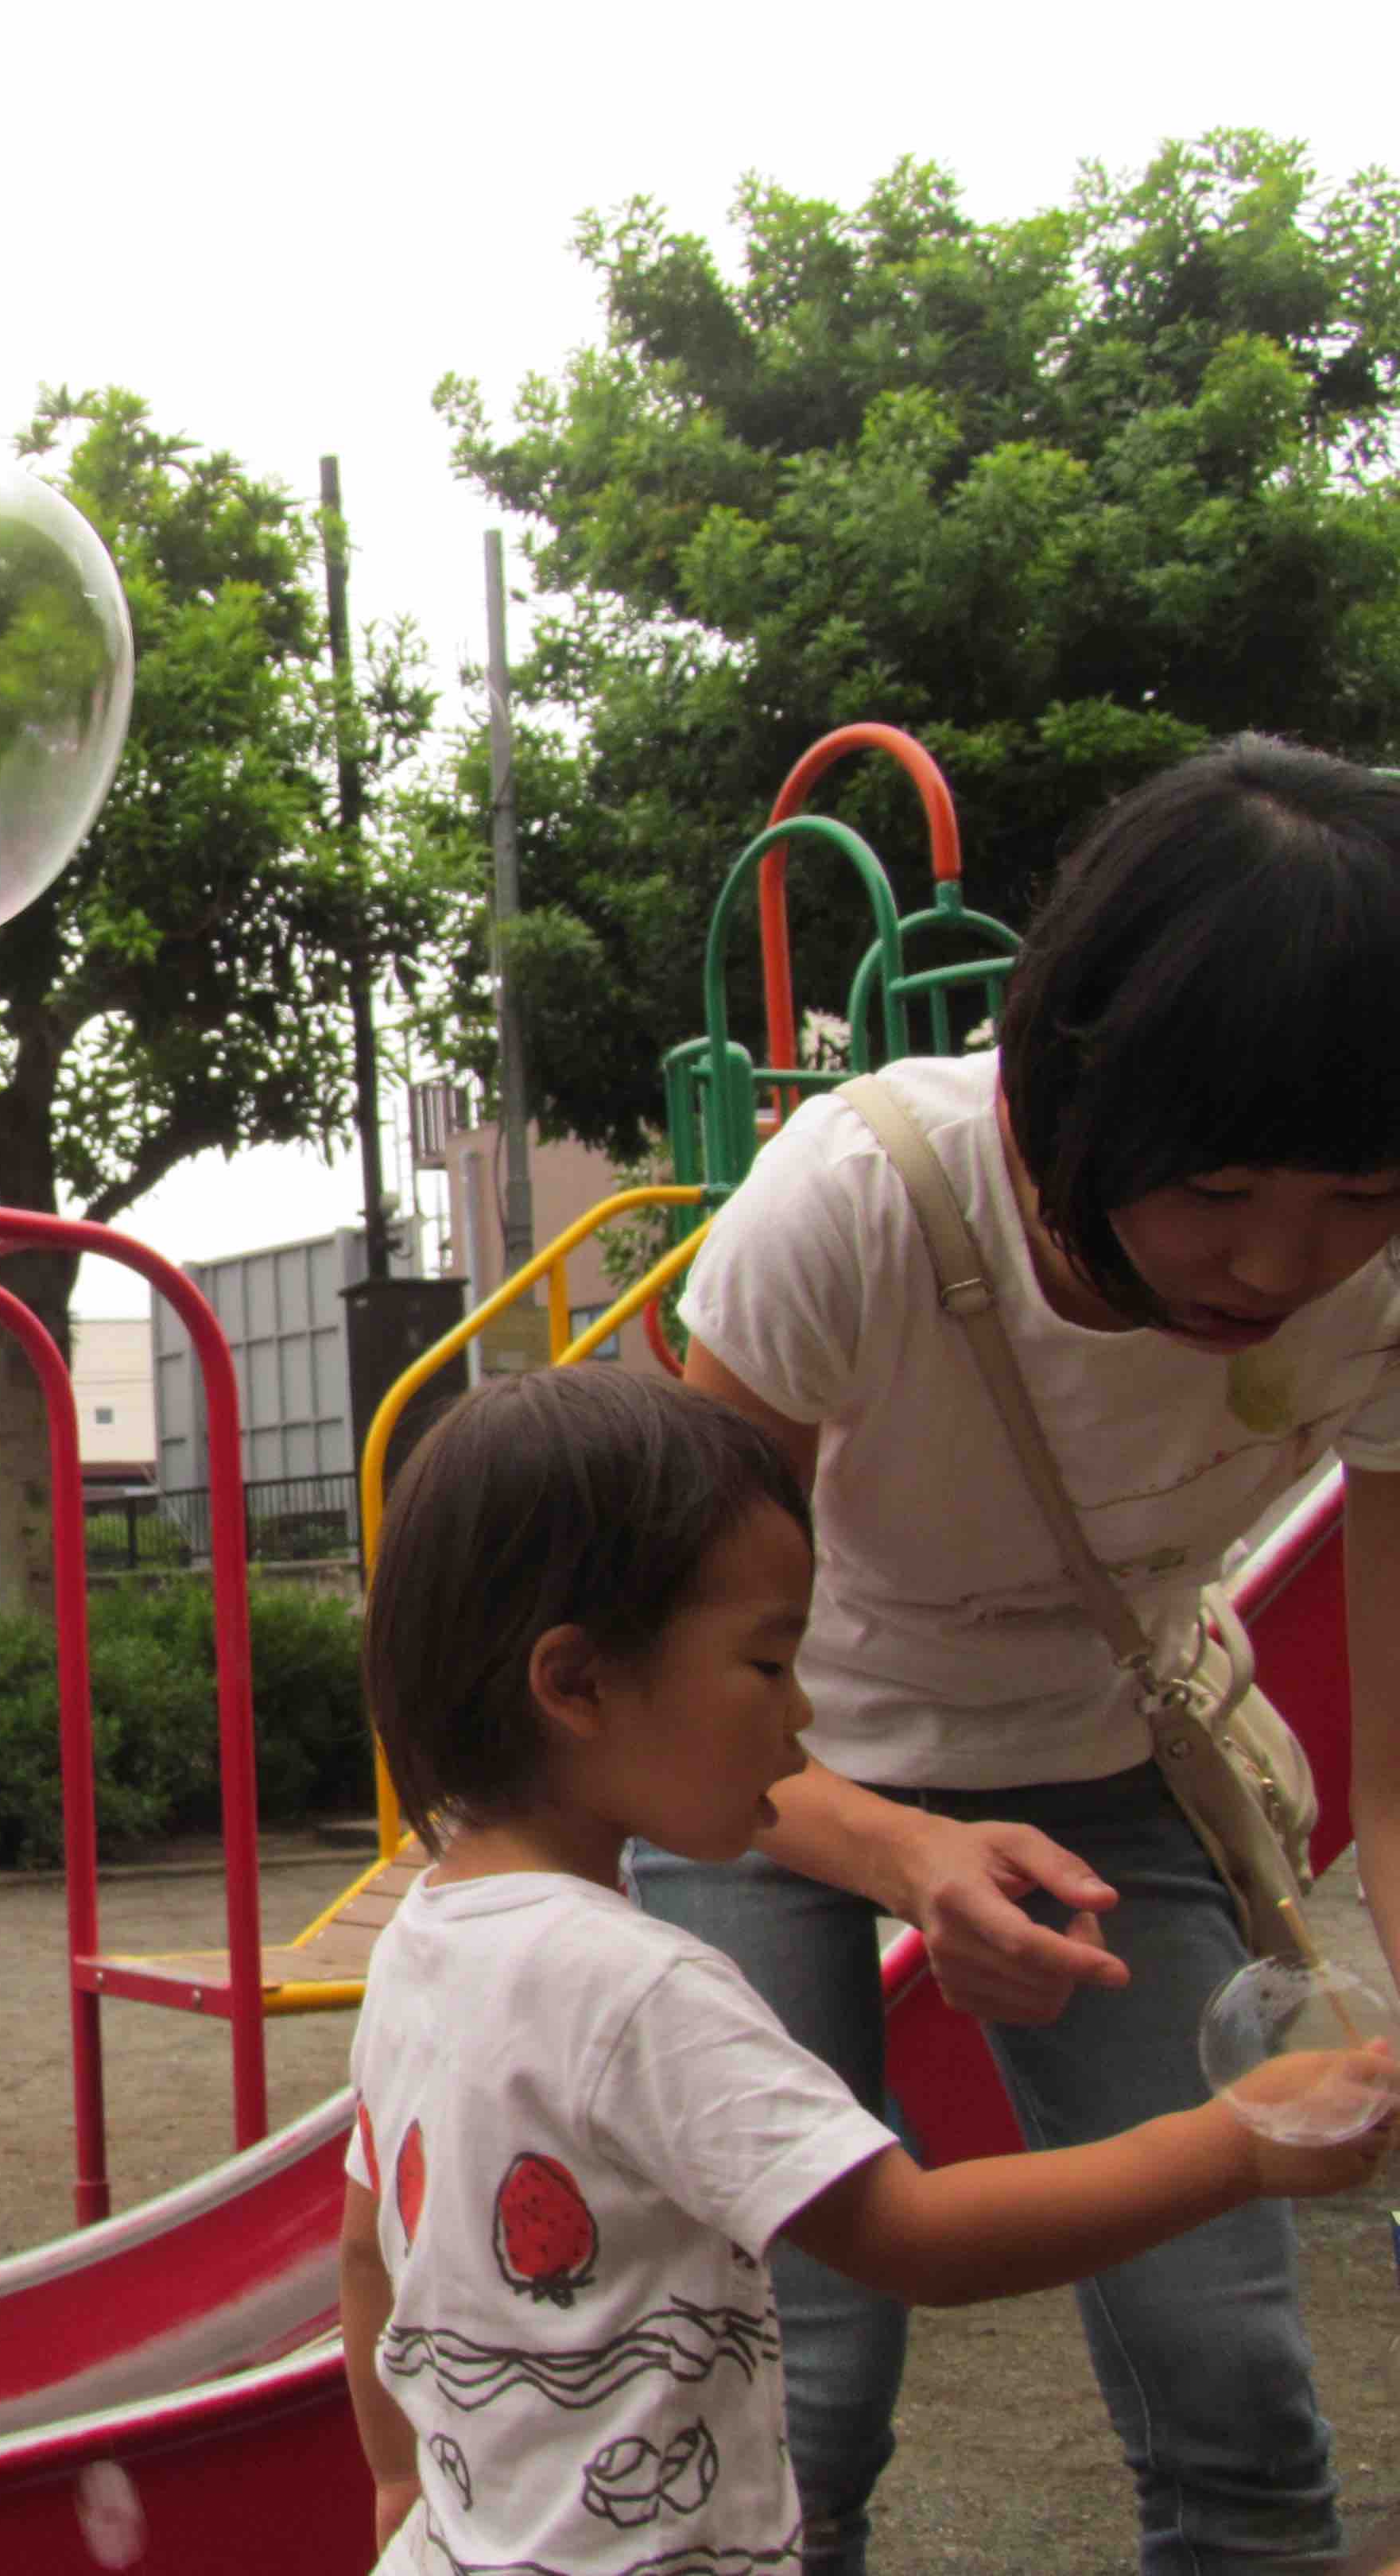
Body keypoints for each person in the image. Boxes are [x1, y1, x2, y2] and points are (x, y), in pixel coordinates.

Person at [642, 737, 1400, 2574]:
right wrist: (905, 1849)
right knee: (804, 2360)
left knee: (1231, 2366)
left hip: (1102, 1751)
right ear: (1081, 1090)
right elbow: (677, 1703)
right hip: (767, 1764)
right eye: (1217, 1187)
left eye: (1355, 1193)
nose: (1279, 1259)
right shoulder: (858, 1203)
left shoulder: (1379, 1275)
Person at [340, 1368, 1394, 2576]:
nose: (803, 1721)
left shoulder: (422, 1947)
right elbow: (919, 2236)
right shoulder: (639, 1989)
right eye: (769, 1664)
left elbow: (368, 2248)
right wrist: (1240, 2147)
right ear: (575, 1682)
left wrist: (393, 2482)